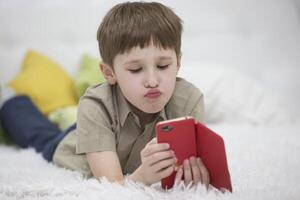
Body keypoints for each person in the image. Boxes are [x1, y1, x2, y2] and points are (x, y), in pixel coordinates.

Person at [0, 2, 210, 188]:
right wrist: (143, 177)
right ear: (109, 73)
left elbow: (192, 168)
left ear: (178, 63)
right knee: (40, 135)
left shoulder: (190, 101)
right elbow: (111, 185)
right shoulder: (95, 106)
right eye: (136, 69)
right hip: (75, 141)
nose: (153, 81)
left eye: (163, 65)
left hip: (107, 128)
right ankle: (11, 101)